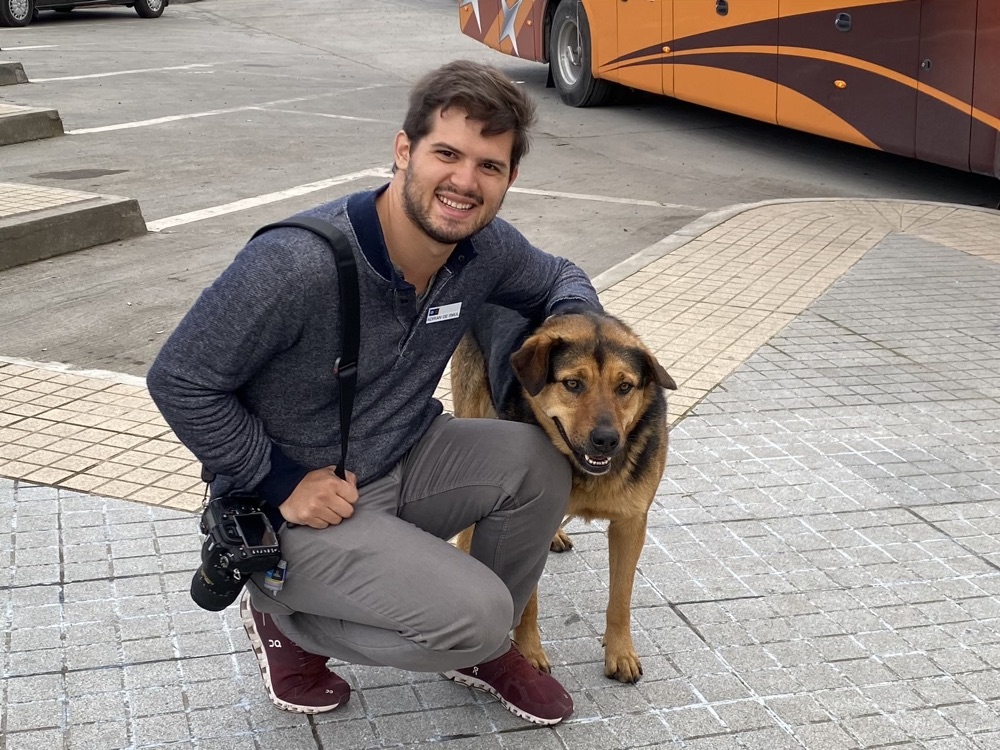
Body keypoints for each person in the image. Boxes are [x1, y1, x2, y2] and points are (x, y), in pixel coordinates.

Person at [146, 59, 600, 727]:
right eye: (446, 153)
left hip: (405, 454)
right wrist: (279, 478)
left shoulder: (484, 250)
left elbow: (561, 275)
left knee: (537, 460)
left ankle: (477, 647)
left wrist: (581, 328)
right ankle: (283, 620)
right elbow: (179, 377)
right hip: (297, 508)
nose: (464, 182)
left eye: (489, 165)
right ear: (403, 150)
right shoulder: (296, 263)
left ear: (509, 179)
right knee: (476, 613)